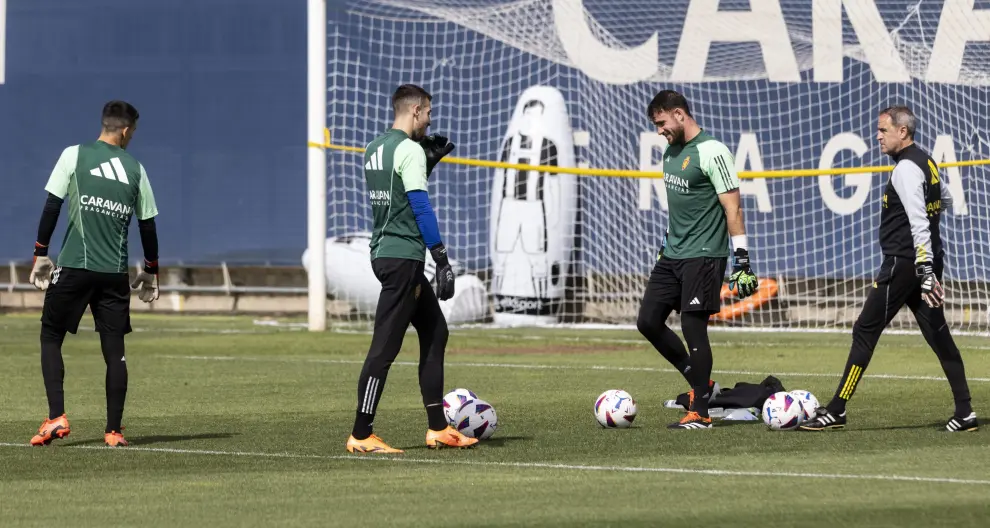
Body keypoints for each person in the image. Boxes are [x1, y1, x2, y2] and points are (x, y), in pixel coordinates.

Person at [800, 106, 977, 432]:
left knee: (865, 331)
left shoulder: (906, 169)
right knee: (939, 337)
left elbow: (919, 223)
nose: (878, 136)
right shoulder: (926, 161)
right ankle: (965, 412)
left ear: (903, 132)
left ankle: (837, 409)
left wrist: (922, 272)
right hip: (925, 263)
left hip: (905, 266)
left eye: (883, 130)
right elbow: (947, 199)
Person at [345, 84, 478, 453]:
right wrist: (442, 259)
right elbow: (419, 208)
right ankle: (360, 433)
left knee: (436, 331)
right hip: (404, 258)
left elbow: (395, 199)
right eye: (429, 113)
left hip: (385, 252)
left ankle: (438, 427)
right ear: (416, 110)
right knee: (384, 349)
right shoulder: (410, 151)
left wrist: (425, 162)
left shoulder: (373, 147)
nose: (430, 120)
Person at [28, 100, 161, 448]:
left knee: (51, 334)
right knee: (114, 349)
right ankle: (114, 431)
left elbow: (52, 206)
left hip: (75, 266)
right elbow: (147, 225)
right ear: (126, 130)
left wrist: (40, 253)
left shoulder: (74, 155)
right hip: (114, 274)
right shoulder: (136, 169)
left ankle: (56, 416)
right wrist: (151, 271)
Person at [636, 90, 759, 430]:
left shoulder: (713, 151)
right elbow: (679, 210)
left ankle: (701, 413)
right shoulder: (670, 153)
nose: (659, 130)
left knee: (692, 326)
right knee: (648, 321)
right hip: (672, 254)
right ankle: (700, 384)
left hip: (704, 255)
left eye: (661, 123)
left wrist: (743, 261)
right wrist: (664, 245)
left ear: (679, 114)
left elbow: (732, 207)